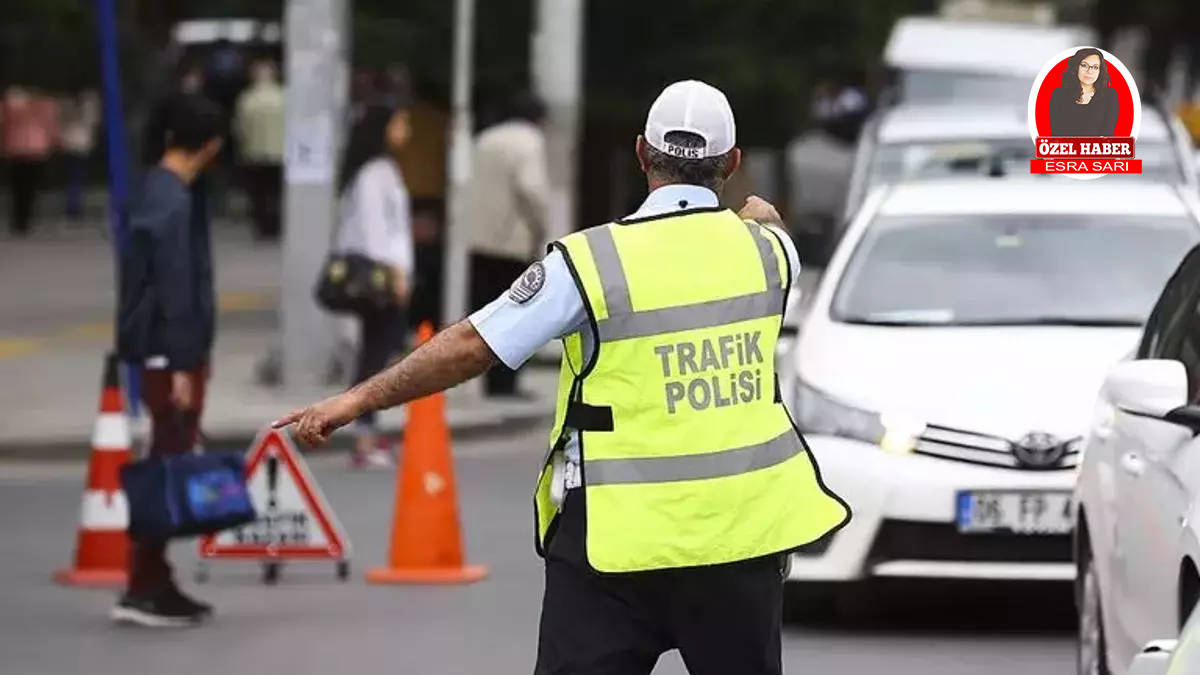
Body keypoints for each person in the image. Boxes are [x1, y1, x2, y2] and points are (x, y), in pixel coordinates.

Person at [274, 79, 851, 675]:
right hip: (741, 540)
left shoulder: (589, 263)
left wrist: (358, 398)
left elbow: (474, 344)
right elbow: (767, 221)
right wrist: (756, 216)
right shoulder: (772, 254)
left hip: (614, 543)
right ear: (732, 162)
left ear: (639, 153)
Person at [113, 94, 225, 627]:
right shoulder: (173, 201)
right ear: (209, 146)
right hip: (169, 356)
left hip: (164, 352)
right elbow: (172, 289)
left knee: (169, 460)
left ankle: (154, 578)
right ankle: (143, 584)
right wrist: (181, 364)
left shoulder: (157, 191)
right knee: (167, 466)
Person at [330, 102, 416, 469]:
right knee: (374, 357)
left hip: (387, 275)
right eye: (400, 121)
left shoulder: (382, 169)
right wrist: (396, 274)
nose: (406, 129)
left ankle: (368, 431)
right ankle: (363, 436)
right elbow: (374, 231)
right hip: (380, 278)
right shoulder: (373, 174)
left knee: (377, 354)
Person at [464, 90, 550, 399]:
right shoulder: (530, 142)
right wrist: (541, 226)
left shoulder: (484, 139)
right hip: (512, 241)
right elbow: (531, 188)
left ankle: (489, 382)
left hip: (477, 239)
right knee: (517, 315)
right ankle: (506, 385)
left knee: (486, 314)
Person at [233, 58, 285, 240]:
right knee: (277, 192)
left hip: (255, 153)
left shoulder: (247, 99)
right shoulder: (283, 97)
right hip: (280, 153)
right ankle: (277, 225)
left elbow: (240, 128)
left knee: (259, 193)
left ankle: (263, 227)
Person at [2, 85, 59, 237]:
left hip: (17, 150)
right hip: (35, 151)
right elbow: (51, 127)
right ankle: (25, 221)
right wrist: (52, 142)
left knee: (19, 189)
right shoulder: (44, 106)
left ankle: (19, 221)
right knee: (28, 189)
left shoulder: (10, 106)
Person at [1049, 47, 1119, 138]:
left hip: (1097, 151)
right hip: (1066, 150)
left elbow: (1107, 135)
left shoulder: (1109, 95)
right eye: (1084, 65)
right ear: (1076, 67)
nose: (1089, 71)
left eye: (1095, 67)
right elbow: (1056, 134)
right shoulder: (1059, 94)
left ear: (1100, 71)